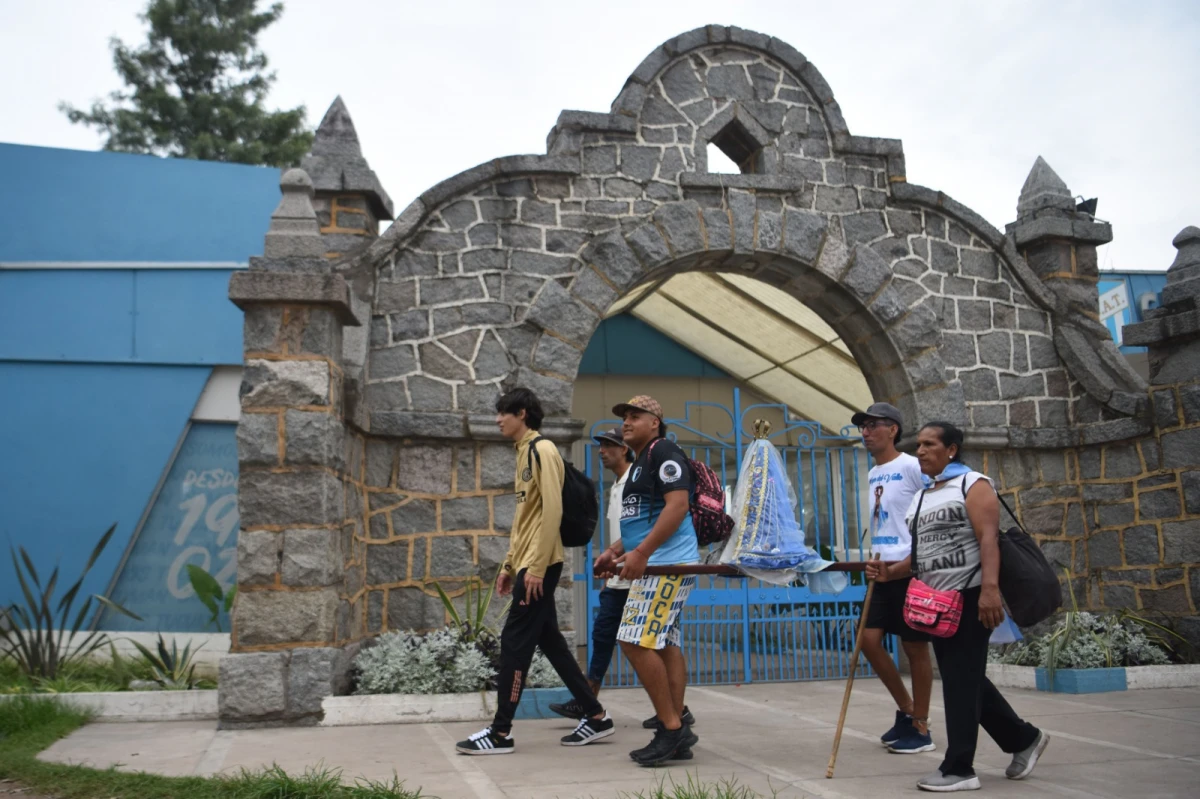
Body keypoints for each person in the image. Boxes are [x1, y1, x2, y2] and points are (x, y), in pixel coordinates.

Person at [868, 421, 1049, 792]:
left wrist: (990, 591)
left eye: (929, 444)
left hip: (972, 596)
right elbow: (921, 558)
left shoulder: (973, 483)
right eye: (918, 445)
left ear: (951, 449)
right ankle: (1023, 738)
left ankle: (959, 767)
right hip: (937, 603)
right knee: (963, 678)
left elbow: (988, 541)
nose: (920, 451)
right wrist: (890, 573)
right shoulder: (922, 496)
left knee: (959, 682)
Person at [456, 388, 614, 755]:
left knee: (514, 644)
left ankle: (500, 733)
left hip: (540, 564)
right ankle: (595, 716)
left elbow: (552, 513)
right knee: (551, 643)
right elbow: (525, 519)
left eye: (503, 413)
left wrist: (536, 568)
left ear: (522, 413)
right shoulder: (524, 452)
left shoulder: (542, 450)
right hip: (529, 562)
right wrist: (509, 565)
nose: (498, 419)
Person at [595, 395, 699, 766]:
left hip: (668, 564)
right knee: (664, 643)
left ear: (654, 421)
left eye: (634, 416)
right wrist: (617, 550)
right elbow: (644, 521)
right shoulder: (641, 462)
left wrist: (641, 554)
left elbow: (677, 507)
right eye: (623, 416)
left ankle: (670, 729)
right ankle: (679, 726)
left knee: (633, 641)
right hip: (654, 562)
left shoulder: (664, 451)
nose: (625, 422)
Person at [850, 402, 935, 755]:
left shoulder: (913, 466)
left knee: (914, 646)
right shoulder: (873, 473)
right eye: (863, 427)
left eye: (873, 425)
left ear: (893, 429)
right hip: (880, 568)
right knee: (867, 640)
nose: (866, 432)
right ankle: (907, 708)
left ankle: (921, 726)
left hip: (911, 569)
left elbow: (933, 511)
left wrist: (913, 557)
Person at [549, 426, 637, 719]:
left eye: (608, 445)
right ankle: (588, 701)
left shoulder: (636, 482)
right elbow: (623, 532)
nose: (601, 450)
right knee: (602, 636)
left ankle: (677, 711)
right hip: (619, 576)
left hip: (636, 576)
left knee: (646, 645)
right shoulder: (617, 486)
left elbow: (640, 531)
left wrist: (615, 556)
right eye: (600, 445)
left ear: (624, 449)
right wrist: (611, 562)